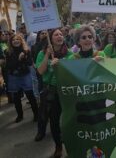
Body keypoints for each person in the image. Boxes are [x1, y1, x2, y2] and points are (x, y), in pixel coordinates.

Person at [36, 28, 72, 158]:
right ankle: (58, 146)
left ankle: (72, 143)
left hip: (67, 91)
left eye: (61, 34)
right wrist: (47, 56)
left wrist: (61, 64)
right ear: (51, 39)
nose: (59, 36)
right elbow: (40, 71)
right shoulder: (42, 53)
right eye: (56, 34)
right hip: (52, 91)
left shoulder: (69, 53)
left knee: (70, 119)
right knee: (54, 121)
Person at [4, 33, 38, 123]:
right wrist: (19, 59)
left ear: (21, 41)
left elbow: (30, 63)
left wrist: (24, 57)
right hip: (14, 77)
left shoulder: (26, 50)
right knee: (16, 98)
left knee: (30, 96)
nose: (16, 41)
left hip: (25, 75)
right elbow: (8, 66)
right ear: (11, 42)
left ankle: (36, 114)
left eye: (17, 39)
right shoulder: (8, 52)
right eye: (14, 40)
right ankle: (20, 115)